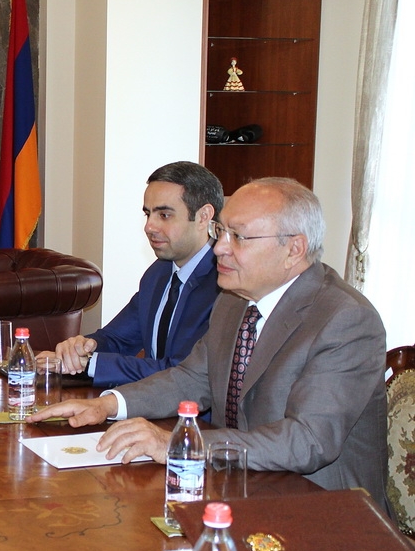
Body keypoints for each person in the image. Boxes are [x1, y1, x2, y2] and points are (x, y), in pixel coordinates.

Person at [29, 177, 388, 508]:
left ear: (294, 249)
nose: (219, 249)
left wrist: (179, 442)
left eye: (238, 237)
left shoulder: (345, 320)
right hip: (239, 485)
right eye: (221, 232)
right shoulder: (234, 301)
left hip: (322, 509)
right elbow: (192, 379)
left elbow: (308, 440)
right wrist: (107, 405)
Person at [47, 161, 223, 387]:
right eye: (148, 214)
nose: (149, 227)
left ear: (203, 216)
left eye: (164, 215)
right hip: (148, 402)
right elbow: (117, 339)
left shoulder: (224, 284)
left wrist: (91, 363)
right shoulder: (158, 273)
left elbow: (181, 371)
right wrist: (80, 348)